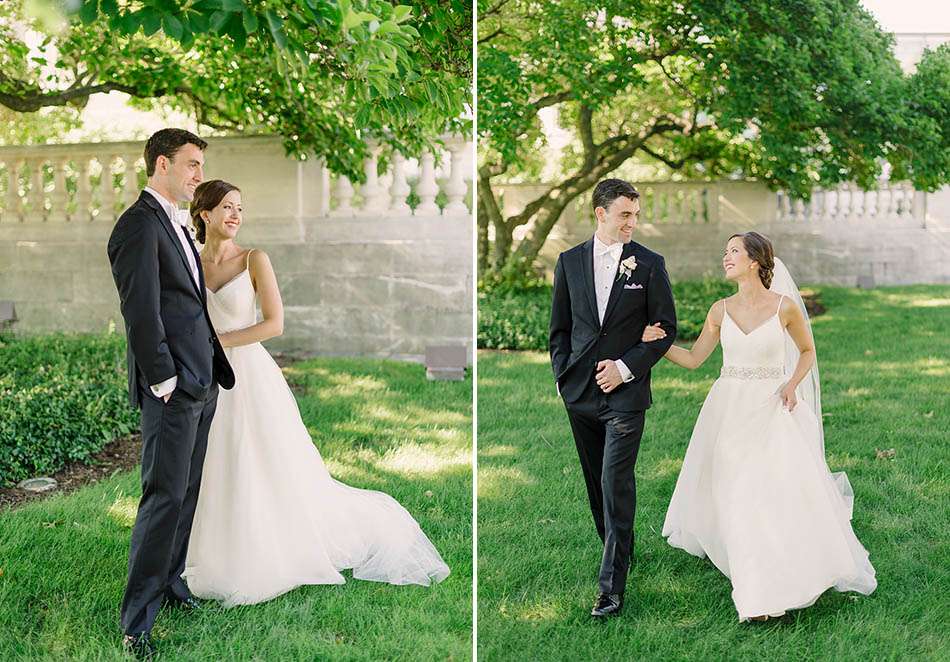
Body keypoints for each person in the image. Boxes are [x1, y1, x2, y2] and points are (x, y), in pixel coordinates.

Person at [181, 180, 449, 607]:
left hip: (248, 374)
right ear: (204, 214)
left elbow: (274, 324)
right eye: (226, 207)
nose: (234, 215)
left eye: (239, 208)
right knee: (211, 461)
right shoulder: (190, 262)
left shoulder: (254, 259)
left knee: (257, 459)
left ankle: (267, 547)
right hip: (203, 378)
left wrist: (217, 342)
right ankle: (206, 549)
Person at [642, 231, 877, 621]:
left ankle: (775, 580)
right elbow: (695, 359)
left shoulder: (784, 307)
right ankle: (756, 589)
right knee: (738, 494)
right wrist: (658, 344)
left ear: (755, 261)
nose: (725, 257)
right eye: (725, 252)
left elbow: (806, 351)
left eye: (733, 251)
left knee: (770, 492)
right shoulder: (719, 310)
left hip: (772, 409)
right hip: (729, 410)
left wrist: (791, 384)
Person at [107, 129, 235, 659]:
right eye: (191, 165)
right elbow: (140, 310)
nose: (197, 175)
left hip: (201, 382)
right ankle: (137, 622)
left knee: (186, 494)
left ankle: (173, 584)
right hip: (172, 388)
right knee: (162, 498)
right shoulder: (137, 225)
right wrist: (163, 378)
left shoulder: (178, 223)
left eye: (200, 165)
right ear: (162, 164)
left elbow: (187, 303)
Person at [548, 178, 677, 618]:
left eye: (636, 215)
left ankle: (610, 588)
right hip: (580, 392)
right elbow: (561, 330)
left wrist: (624, 367)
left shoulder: (649, 264)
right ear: (601, 213)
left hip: (626, 395)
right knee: (593, 485)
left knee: (614, 481)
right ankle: (620, 547)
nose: (632, 223)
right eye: (625, 214)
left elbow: (666, 330)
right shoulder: (568, 262)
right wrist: (564, 379)